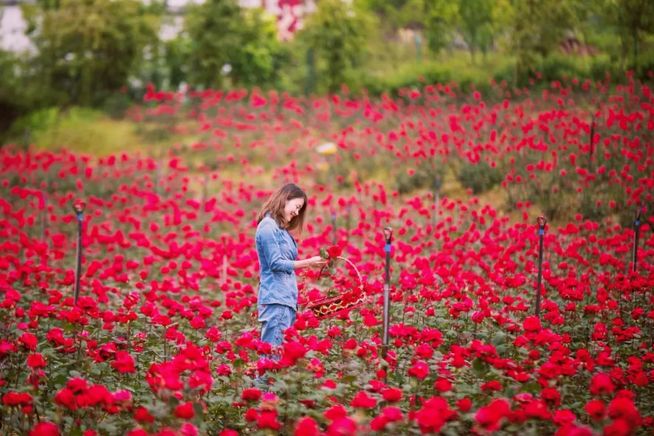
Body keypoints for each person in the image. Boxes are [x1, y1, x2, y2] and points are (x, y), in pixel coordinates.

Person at [254, 183, 326, 349]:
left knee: (278, 358)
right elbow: (275, 263)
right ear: (285, 199)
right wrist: (309, 262)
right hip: (276, 300)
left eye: (300, 209)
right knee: (272, 358)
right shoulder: (268, 226)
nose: (297, 212)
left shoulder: (281, 230)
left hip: (286, 301)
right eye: (297, 206)